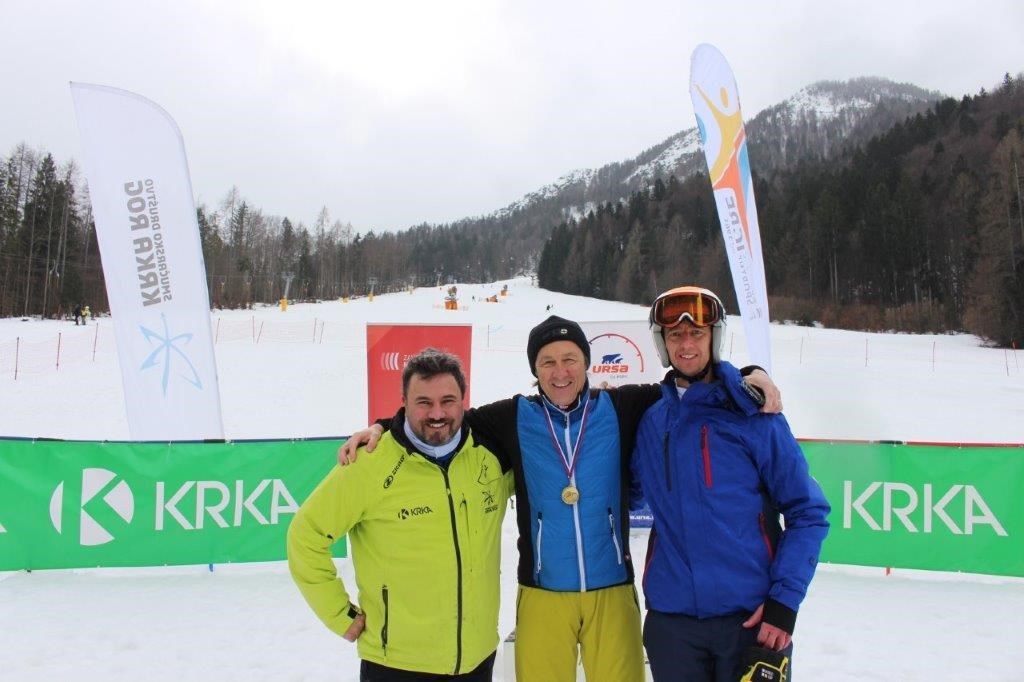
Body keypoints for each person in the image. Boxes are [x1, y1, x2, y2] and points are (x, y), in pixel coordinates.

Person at [339, 316, 782, 681]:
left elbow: (691, 386)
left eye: (570, 359)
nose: (560, 371)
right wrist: (384, 426)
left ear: (586, 363)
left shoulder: (623, 407)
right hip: (543, 595)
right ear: (535, 369)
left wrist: (749, 374)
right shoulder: (513, 416)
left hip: (612, 592)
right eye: (547, 362)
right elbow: (443, 417)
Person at [631, 286, 830, 682]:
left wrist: (784, 603)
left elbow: (808, 512)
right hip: (673, 627)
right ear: (662, 343)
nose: (686, 344)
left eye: (697, 333)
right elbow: (625, 493)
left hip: (750, 623)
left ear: (715, 338)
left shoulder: (755, 416)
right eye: (675, 335)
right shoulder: (651, 423)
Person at [288, 348, 514, 681]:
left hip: (476, 659)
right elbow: (305, 536)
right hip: (397, 664)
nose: (437, 413)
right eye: (423, 402)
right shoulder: (369, 463)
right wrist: (339, 614)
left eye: (448, 401)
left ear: (463, 401)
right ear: (404, 401)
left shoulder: (491, 458)